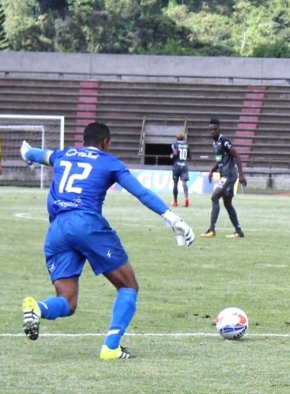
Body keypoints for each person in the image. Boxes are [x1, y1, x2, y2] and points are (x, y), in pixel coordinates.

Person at [19, 122, 194, 360]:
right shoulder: (109, 161)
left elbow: (37, 154)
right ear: (105, 143)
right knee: (128, 285)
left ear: (83, 140)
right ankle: (111, 347)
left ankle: (37, 308)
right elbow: (140, 192)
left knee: (67, 302)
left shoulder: (64, 154)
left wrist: (26, 151)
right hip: (87, 224)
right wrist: (172, 218)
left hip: (57, 229)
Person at [201, 118, 247, 239]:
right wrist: (212, 170)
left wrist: (241, 175)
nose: (212, 132)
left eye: (215, 129)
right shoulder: (215, 143)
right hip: (224, 174)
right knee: (227, 203)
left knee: (214, 196)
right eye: (210, 130)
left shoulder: (224, 141)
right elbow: (220, 161)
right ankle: (239, 231)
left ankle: (211, 229)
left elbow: (236, 155)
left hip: (229, 175)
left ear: (219, 129)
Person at [171, 132, 190, 208]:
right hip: (184, 165)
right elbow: (190, 156)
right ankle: (186, 198)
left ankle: (175, 201)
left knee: (175, 184)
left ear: (177, 138)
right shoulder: (187, 145)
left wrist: (171, 156)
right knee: (184, 183)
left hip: (177, 165)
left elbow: (175, 154)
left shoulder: (174, 145)